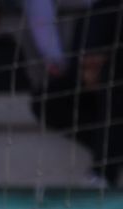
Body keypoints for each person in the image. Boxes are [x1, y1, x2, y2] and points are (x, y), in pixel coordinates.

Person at [25, 0, 121, 187]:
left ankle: (104, 169)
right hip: (94, 86)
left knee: (113, 82)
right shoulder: (95, 13)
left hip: (114, 83)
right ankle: (113, 149)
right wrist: (88, 66)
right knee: (47, 101)